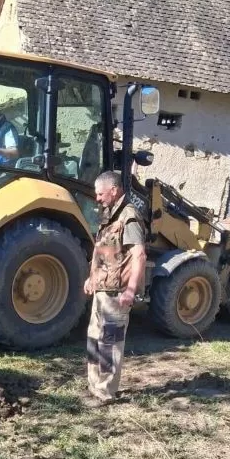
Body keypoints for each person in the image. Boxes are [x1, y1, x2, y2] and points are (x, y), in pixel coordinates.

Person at [82, 170, 147, 407]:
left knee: (109, 344)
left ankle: (105, 392)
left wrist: (130, 291)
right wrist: (92, 279)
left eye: (101, 194)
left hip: (116, 294)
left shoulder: (129, 217)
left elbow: (139, 255)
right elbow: (103, 254)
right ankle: (94, 385)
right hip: (102, 292)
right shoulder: (109, 217)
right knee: (94, 340)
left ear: (114, 190)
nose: (97, 198)